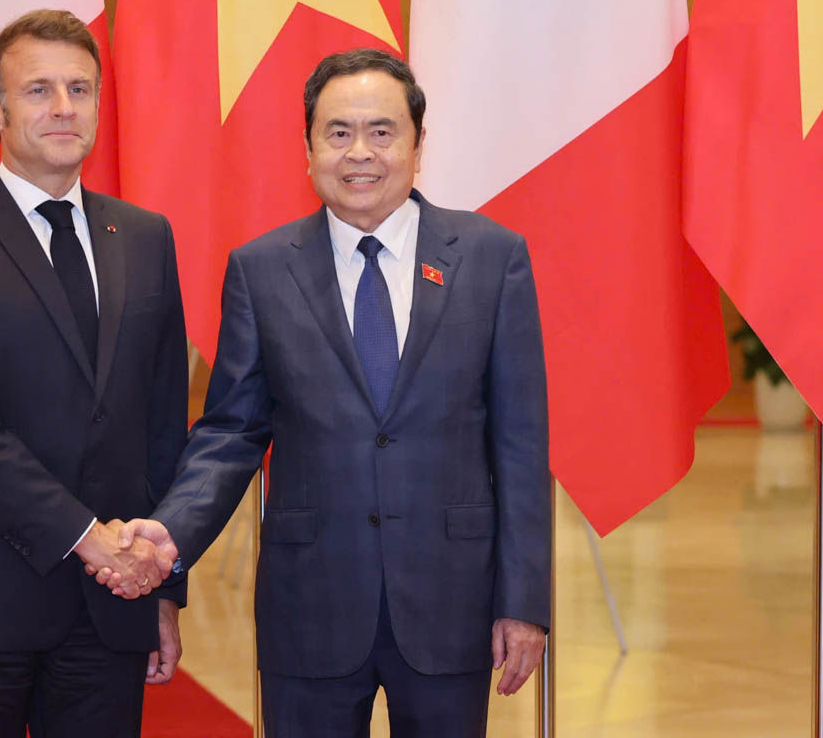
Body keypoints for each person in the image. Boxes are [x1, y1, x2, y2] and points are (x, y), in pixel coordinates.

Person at [95, 49, 550, 737]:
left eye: (382, 131)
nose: (359, 152)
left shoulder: (492, 258)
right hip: (310, 606)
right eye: (338, 133)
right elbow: (230, 434)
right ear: (307, 150)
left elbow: (519, 445)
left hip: (449, 602)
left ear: (418, 145)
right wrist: (169, 534)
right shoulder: (262, 270)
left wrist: (524, 601)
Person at [0, 9, 187, 738]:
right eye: (39, 90)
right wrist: (87, 538)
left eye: (80, 89)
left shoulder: (145, 237)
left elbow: (161, 418)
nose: (63, 108)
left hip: (112, 608)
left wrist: (163, 588)